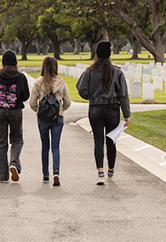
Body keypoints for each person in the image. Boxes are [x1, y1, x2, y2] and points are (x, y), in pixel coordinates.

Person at [76, 41, 130, 185]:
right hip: (112, 108)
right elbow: (123, 94)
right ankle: (110, 170)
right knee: (111, 141)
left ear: (97, 54)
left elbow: (81, 89)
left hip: (95, 109)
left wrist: (92, 96)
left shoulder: (89, 71)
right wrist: (126, 114)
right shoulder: (117, 72)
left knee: (98, 141)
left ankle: (100, 172)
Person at [29, 56, 72, 186]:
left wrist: (38, 111)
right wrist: (60, 110)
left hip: (42, 117)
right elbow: (67, 101)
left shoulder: (38, 82)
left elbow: (32, 102)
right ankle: (56, 172)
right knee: (55, 146)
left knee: (44, 146)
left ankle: (45, 174)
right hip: (57, 117)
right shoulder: (61, 82)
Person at [0, 50, 30, 182]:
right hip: (15, 110)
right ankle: (14, 162)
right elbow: (26, 96)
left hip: (0, 111)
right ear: (15, 63)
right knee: (17, 139)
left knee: (1, 143)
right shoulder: (20, 77)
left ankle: (3, 176)